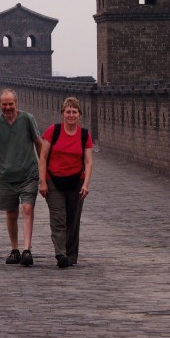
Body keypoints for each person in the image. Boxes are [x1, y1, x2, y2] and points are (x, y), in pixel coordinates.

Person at [0, 88, 42, 266]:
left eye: (11, 104)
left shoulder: (27, 119)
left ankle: (27, 250)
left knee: (27, 208)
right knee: (11, 213)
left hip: (29, 174)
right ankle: (15, 249)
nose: (8, 107)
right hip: (7, 176)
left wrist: (44, 171)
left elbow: (39, 144)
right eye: (4, 104)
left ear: (16, 103)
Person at [38, 97, 94, 268]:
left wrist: (86, 184)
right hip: (53, 181)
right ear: (62, 113)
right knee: (58, 218)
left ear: (80, 114)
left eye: (74, 112)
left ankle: (71, 255)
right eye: (68, 111)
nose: (71, 115)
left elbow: (88, 162)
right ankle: (61, 254)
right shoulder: (53, 131)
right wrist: (43, 182)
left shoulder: (84, 135)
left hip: (76, 181)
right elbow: (43, 157)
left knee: (73, 218)